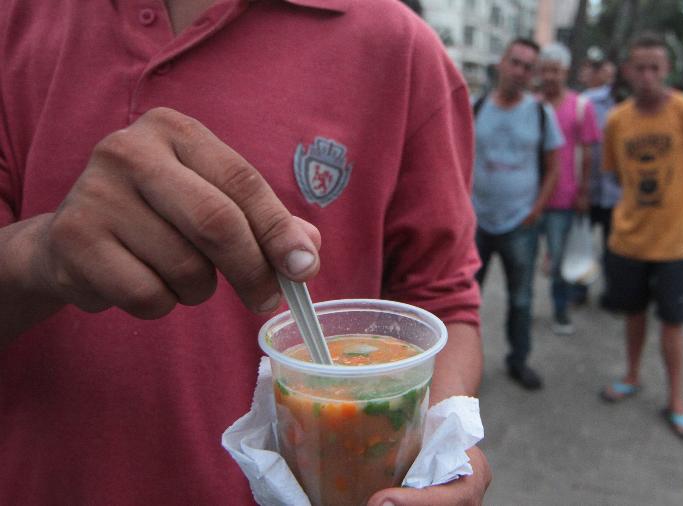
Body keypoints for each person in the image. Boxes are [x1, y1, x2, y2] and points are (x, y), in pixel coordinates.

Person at [0, 1, 491, 504]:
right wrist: (42, 254)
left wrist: (448, 448)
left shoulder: (401, 49)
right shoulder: (14, 21)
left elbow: (442, 303)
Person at [598, 33, 683, 442]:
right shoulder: (617, 120)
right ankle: (631, 375)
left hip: (677, 241)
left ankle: (677, 400)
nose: (646, 76)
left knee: (673, 323)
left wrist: (681, 209)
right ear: (628, 71)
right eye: (639, 67)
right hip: (629, 238)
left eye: (655, 68)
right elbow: (614, 172)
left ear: (667, 71)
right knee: (633, 313)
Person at [472, 38, 564, 390]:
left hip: (520, 224)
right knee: (466, 301)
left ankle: (518, 360)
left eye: (529, 67)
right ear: (502, 63)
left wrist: (536, 210)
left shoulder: (542, 113)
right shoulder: (475, 106)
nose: (520, 71)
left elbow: (554, 167)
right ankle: (466, 367)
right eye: (516, 62)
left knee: (522, 299)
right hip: (477, 221)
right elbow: (459, 158)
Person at [536, 42, 601, 334]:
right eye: (546, 70)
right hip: (530, 198)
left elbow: (587, 153)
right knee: (525, 260)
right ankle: (524, 311)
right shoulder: (532, 104)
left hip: (564, 198)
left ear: (565, 72)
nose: (551, 76)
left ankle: (560, 310)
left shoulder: (580, 106)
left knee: (560, 259)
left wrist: (584, 191)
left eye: (556, 70)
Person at [575, 56, 620, 307]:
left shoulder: (618, 101)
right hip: (591, 188)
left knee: (610, 246)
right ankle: (582, 289)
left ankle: (610, 291)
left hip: (612, 189)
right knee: (584, 244)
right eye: (604, 69)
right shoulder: (586, 103)